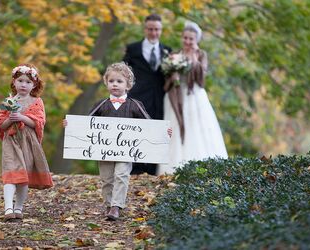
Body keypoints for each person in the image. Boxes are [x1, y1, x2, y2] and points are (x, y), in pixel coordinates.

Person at [63, 62, 172, 220]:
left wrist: (163, 132)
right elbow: (85, 125)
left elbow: (150, 125)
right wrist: (71, 126)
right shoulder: (100, 105)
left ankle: (116, 206)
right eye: (112, 81)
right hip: (104, 151)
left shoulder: (135, 105)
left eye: (119, 81)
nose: (115, 84)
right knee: (106, 179)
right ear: (106, 82)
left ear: (128, 85)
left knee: (121, 175)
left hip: (125, 151)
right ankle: (109, 204)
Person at [157, 21, 228, 175]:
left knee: (195, 129)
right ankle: (172, 168)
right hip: (176, 97)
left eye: (191, 39)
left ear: (197, 40)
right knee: (174, 130)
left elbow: (202, 79)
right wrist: (173, 75)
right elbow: (166, 77)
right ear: (182, 38)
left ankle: (198, 167)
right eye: (185, 38)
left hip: (194, 97)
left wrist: (194, 60)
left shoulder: (201, 55)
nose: (188, 42)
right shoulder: (174, 55)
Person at [0, 63, 54, 221]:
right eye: (20, 81)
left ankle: (18, 207)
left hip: (28, 141)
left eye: (28, 82)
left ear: (34, 84)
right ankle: (8, 207)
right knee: (11, 172)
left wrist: (22, 117)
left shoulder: (37, 102)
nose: (23, 84)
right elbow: (1, 124)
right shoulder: (8, 101)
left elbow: (39, 121)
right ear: (14, 82)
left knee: (23, 176)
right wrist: (10, 119)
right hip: (12, 140)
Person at [123, 13, 172, 175]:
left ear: (161, 30)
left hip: (159, 97)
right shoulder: (133, 48)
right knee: (137, 130)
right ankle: (135, 168)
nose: (154, 33)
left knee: (156, 131)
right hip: (138, 97)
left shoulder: (167, 50)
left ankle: (152, 169)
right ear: (145, 29)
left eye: (157, 29)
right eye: (150, 29)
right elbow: (123, 71)